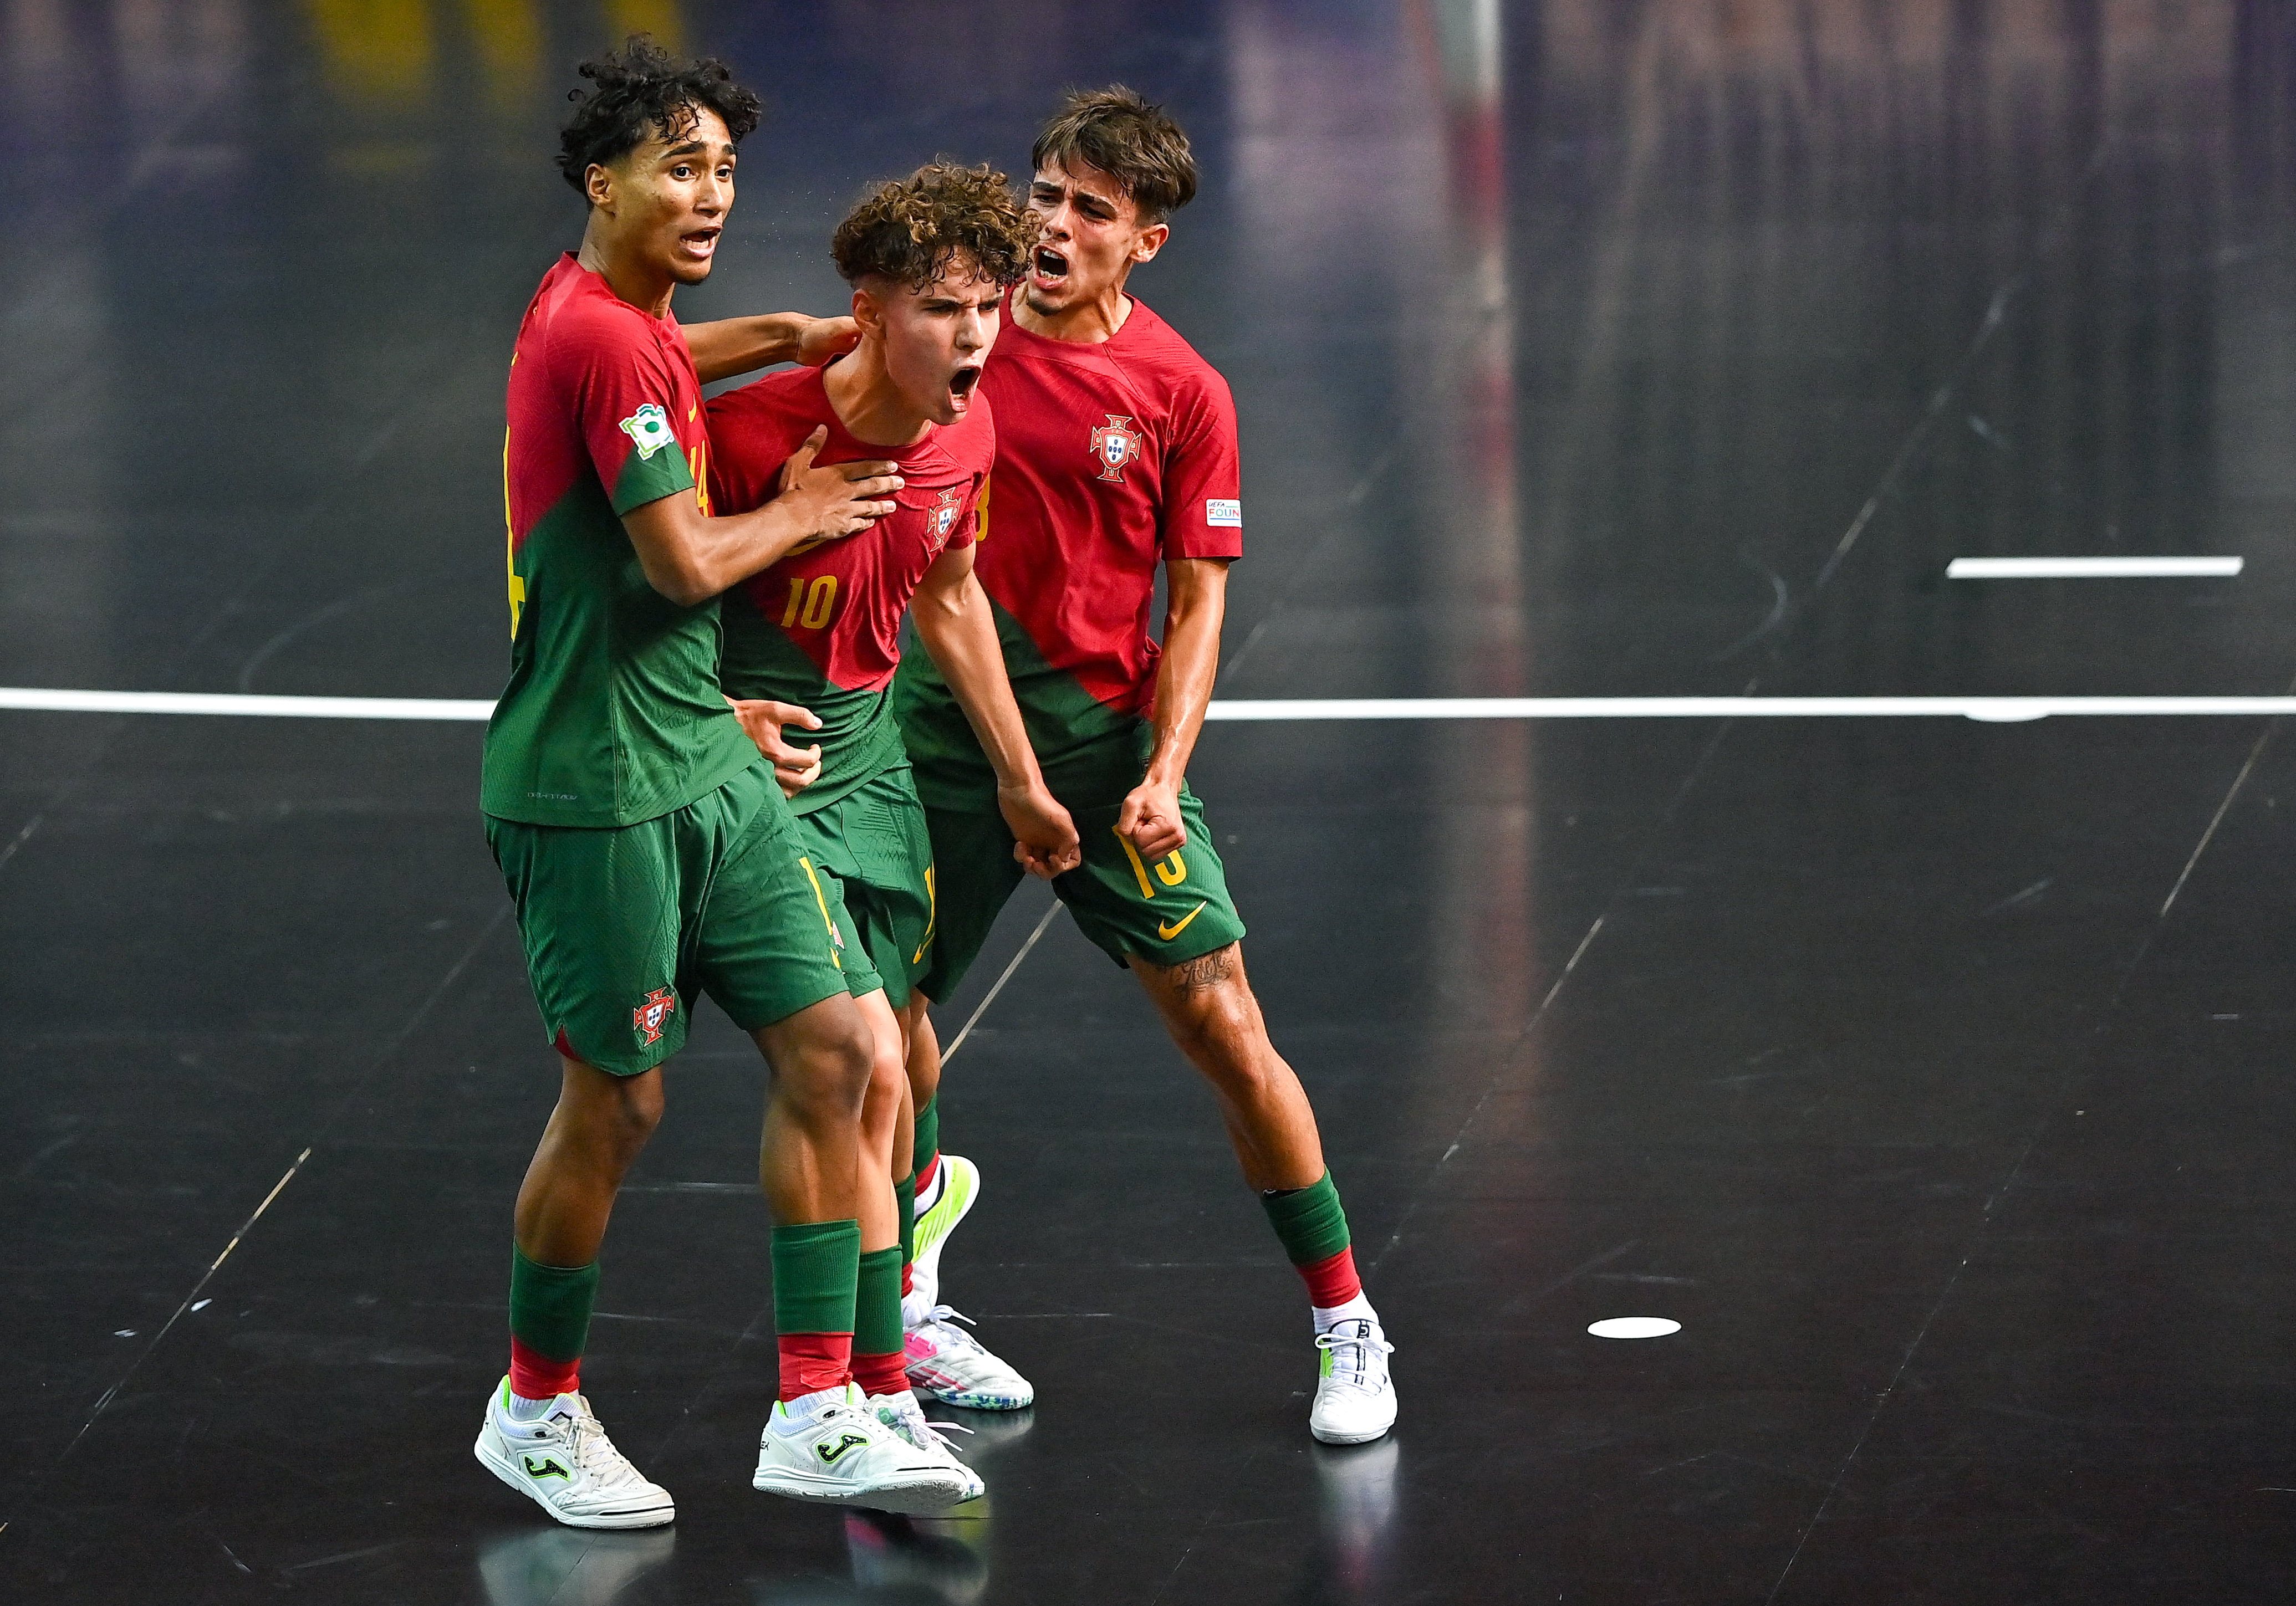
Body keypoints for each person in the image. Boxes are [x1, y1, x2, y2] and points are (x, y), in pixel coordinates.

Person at [473, 39, 971, 1530]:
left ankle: (822, 1405)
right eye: (680, 167)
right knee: (616, 1107)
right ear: (600, 178)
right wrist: (813, 503)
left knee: (838, 1050)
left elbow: (655, 366)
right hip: (593, 786)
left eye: (726, 170)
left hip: (701, 746)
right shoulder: (606, 340)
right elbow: (685, 556)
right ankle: (533, 1409)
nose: (710, 195)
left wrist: (769, 330)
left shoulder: (604, 319)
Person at [891, 86, 1398, 1446]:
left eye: (1090, 213)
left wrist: (1164, 771)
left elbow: (1197, 605)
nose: (1052, 227)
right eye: (1046, 195)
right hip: (945, 743)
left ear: (1146, 242)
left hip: (1108, 752)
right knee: (879, 1026)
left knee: (1225, 1025)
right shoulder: (954, 328)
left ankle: (1346, 1319)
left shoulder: (1180, 393)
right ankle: (910, 1282)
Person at [706, 161, 1079, 1484]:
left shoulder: (965, 434)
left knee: (908, 1055)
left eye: (987, 306)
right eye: (942, 309)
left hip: (875, 765)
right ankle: (840, 1394)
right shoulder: (752, 432)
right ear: (865, 311)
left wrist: (1021, 776)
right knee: (857, 1055)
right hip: (767, 774)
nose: (977, 335)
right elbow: (643, 589)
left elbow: (955, 597)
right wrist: (719, 713)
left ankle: (898, 1333)